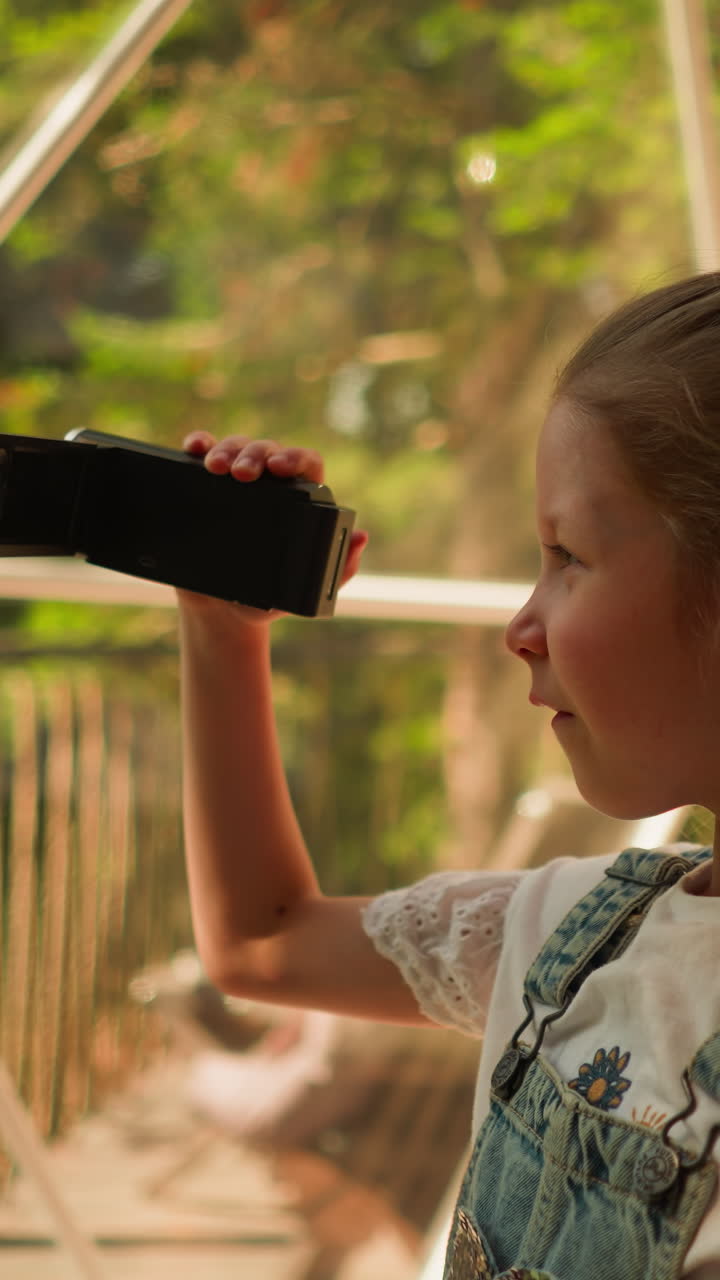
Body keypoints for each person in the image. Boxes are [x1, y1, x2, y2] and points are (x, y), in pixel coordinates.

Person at [176, 272, 720, 1280]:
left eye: (568, 556)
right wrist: (221, 628)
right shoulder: (576, 933)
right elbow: (265, 939)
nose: (521, 627)